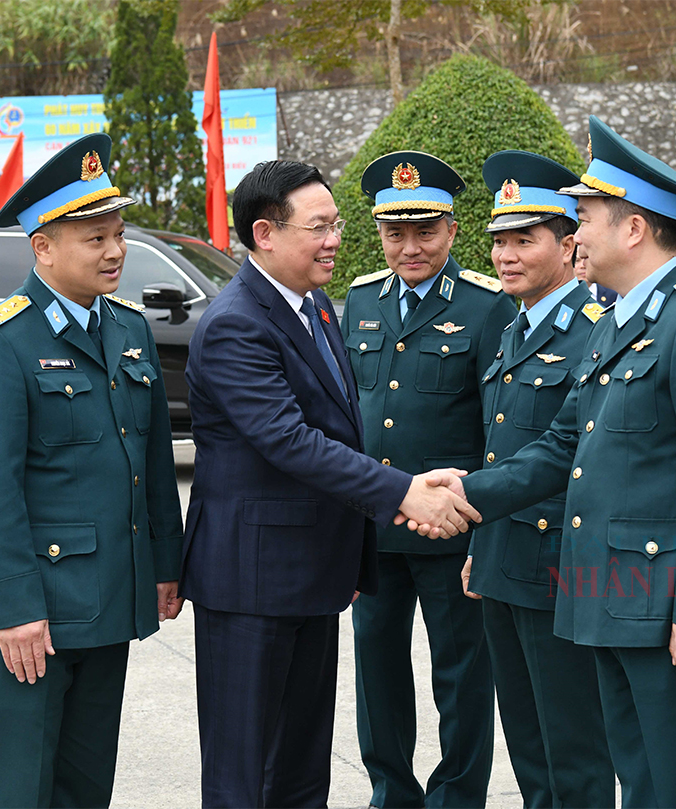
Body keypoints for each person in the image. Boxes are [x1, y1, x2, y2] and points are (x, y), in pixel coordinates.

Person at [424, 115, 676, 807]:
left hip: (672, 613)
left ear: (633, 229)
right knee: (643, 786)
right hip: (611, 605)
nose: (576, 231)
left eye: (586, 216)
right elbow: (562, 446)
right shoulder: (622, 321)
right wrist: (470, 491)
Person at [180, 159, 478, 808]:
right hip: (251, 580)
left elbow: (344, 427)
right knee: (243, 774)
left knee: (301, 768)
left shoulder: (313, 304)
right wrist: (402, 493)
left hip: (312, 573)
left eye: (335, 223)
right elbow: (290, 440)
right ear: (264, 233)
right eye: (319, 226)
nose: (335, 239)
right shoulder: (237, 323)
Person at [0, 133, 185, 808]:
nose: (114, 252)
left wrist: (166, 562)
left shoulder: (127, 330)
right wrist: (13, 610)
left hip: (107, 602)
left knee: (83, 788)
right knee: (15, 791)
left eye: (118, 234)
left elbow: (151, 459)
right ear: (43, 246)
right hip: (29, 619)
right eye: (93, 239)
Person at [341, 150, 515, 808]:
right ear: (379, 233)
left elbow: (500, 429)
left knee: (463, 678)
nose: (409, 246)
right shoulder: (357, 300)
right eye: (395, 232)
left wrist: (484, 529)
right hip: (376, 531)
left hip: (452, 530)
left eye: (425, 230)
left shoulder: (485, 307)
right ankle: (392, 792)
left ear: (452, 229)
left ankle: (457, 798)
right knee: (377, 675)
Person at [463, 150, 614, 808]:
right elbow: (500, 451)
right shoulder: (510, 330)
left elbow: (577, 461)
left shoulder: (595, 336)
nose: (507, 255)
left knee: (573, 749)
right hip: (501, 560)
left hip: (559, 569)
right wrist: (477, 543)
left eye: (526, 239)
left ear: (568, 242)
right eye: (499, 240)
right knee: (526, 745)